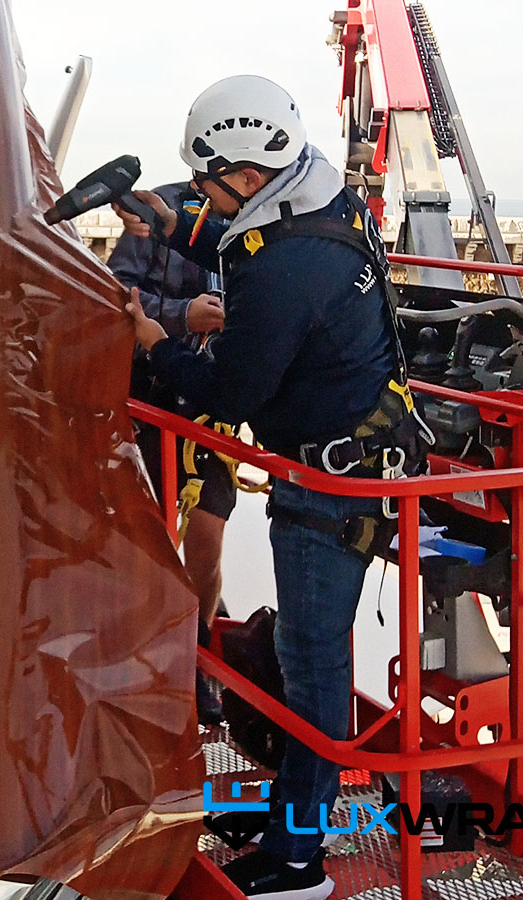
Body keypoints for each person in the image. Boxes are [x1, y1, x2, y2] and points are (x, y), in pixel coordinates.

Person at [116, 75, 427, 900]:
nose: (206, 196)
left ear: (249, 175)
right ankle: (298, 807)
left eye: (209, 183)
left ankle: (298, 861)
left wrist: (153, 338)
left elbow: (227, 395)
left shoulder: (289, 271)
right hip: (343, 461)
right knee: (304, 654)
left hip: (330, 487)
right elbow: (232, 236)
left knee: (313, 667)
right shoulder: (312, 193)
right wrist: (165, 217)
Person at [106, 182, 234, 725]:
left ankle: (197, 655)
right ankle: (148, 657)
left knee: (205, 543)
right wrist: (184, 316)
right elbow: (116, 297)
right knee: (151, 540)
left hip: (210, 402)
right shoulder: (154, 214)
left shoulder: (257, 224)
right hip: (153, 394)